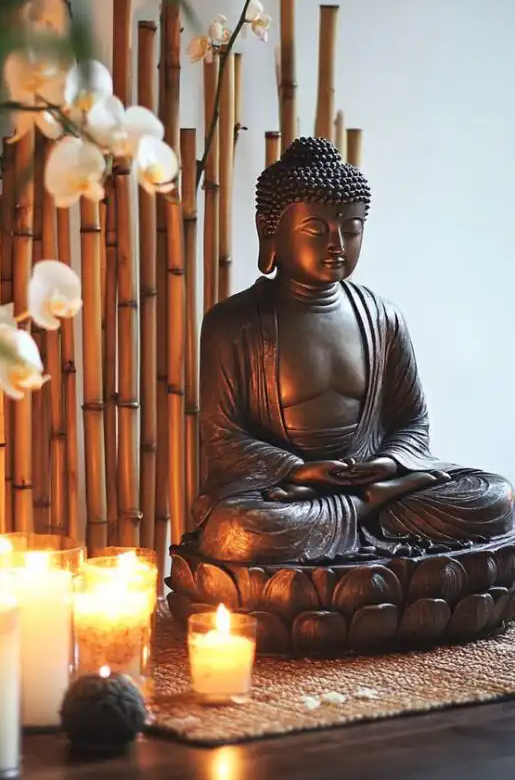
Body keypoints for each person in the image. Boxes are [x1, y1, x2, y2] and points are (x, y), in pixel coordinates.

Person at [193, 137, 513, 564]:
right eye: (317, 229)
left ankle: (368, 510)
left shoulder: (383, 318)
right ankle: (369, 511)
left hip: (373, 481)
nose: (337, 244)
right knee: (240, 529)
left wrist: (390, 463)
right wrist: (298, 469)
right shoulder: (232, 324)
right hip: (293, 495)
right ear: (269, 229)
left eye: (352, 228)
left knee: (492, 494)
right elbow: (223, 438)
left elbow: (412, 420)